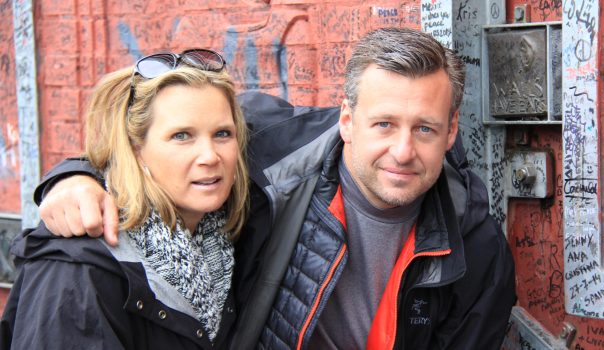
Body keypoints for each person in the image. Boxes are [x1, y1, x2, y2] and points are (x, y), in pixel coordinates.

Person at [30, 27, 516, 349]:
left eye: (425, 129)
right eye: (384, 123)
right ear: (347, 119)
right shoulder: (278, 150)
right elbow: (150, 138)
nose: (403, 150)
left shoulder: (476, 244)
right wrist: (76, 178)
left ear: (451, 132)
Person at [0, 49, 249, 349]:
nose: (210, 156)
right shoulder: (77, 270)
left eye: (222, 134)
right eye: (182, 136)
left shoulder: (216, 242)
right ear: (135, 148)